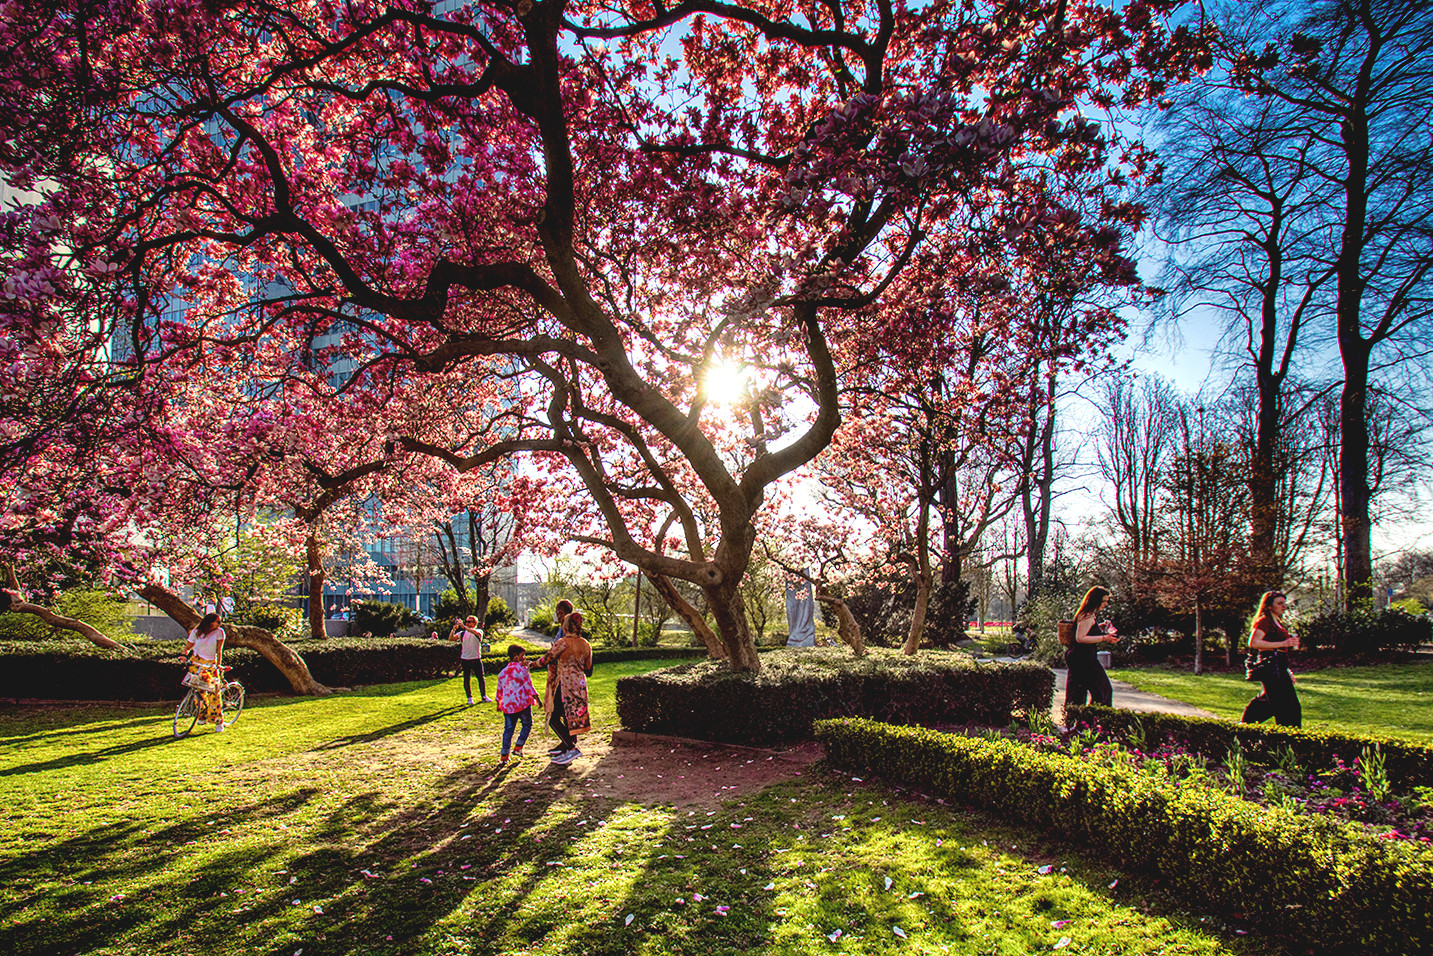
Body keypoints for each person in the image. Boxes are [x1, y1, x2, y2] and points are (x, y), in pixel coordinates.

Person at [535, 610, 593, 765]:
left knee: (554, 718)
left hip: (565, 684)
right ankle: (566, 747)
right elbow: (589, 669)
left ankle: (571, 748)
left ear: (566, 627)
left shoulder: (563, 642)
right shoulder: (586, 644)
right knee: (571, 718)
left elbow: (547, 658)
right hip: (579, 685)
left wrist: (532, 664)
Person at [1241, 590, 1302, 727]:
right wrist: (1283, 643)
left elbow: (1280, 651)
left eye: (1284, 603)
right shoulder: (1264, 622)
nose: (1284, 606)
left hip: (1279, 665)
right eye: (1279, 603)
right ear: (1269, 606)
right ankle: (1288, 738)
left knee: (1273, 701)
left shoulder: (1278, 623)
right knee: (1287, 706)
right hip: (1270, 666)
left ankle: (1245, 725)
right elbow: (1254, 643)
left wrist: (1286, 670)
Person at [1065, 585, 1119, 713]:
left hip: (1080, 656)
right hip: (1083, 658)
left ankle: (1079, 720)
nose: (1106, 604)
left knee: (1078, 690)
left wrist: (1098, 627)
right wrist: (1104, 638)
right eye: (1104, 601)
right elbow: (1080, 638)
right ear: (1096, 600)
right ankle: (1094, 719)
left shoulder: (1088, 615)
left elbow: (1086, 631)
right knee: (1103, 690)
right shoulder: (1087, 616)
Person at [183, 612, 228, 732]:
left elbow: (219, 650)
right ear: (209, 622)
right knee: (199, 691)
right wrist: (183, 654)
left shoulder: (219, 632)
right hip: (196, 662)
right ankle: (201, 716)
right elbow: (188, 646)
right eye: (217, 622)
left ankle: (218, 720)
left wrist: (218, 664)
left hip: (209, 664)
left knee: (214, 691)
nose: (219, 624)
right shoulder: (196, 632)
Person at [495, 644, 540, 762]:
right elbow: (528, 686)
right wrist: (537, 699)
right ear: (516, 657)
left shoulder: (502, 672)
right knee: (527, 724)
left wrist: (498, 703)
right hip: (522, 703)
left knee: (508, 730)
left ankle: (504, 755)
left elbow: (499, 690)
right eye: (522, 655)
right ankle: (518, 746)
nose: (524, 658)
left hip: (508, 705)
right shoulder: (521, 670)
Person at [450, 614, 490, 705]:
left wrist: (463, 626)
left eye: (469, 622)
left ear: (474, 623)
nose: (467, 623)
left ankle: (484, 696)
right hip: (465, 658)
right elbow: (451, 639)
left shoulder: (479, 631)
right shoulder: (462, 633)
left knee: (481, 678)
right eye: (466, 621)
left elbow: (475, 633)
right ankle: (469, 697)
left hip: (476, 658)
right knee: (467, 679)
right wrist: (453, 629)